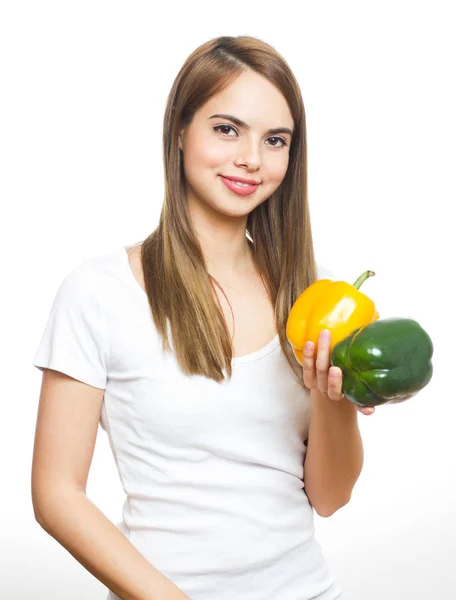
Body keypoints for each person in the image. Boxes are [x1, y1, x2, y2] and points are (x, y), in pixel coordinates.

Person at [31, 35, 374, 600]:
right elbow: (55, 493)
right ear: (180, 130)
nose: (251, 159)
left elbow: (331, 497)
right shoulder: (99, 292)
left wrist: (331, 396)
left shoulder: (313, 294)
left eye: (275, 140)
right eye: (226, 129)